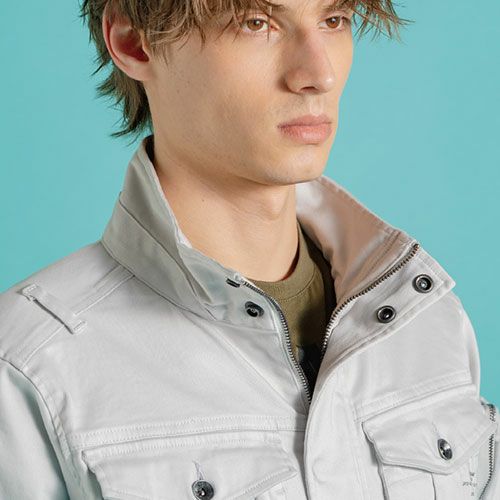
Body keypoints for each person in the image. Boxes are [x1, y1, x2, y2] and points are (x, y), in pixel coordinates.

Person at [0, 0, 498, 498]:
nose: (318, 74)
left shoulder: (425, 318)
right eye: (256, 23)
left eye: (334, 20)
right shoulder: (30, 367)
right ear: (134, 42)